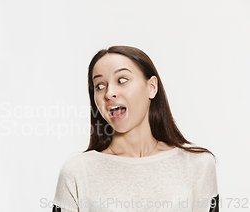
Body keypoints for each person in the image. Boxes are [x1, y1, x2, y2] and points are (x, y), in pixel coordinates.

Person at [52, 46, 218, 212]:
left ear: (152, 87)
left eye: (122, 80)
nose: (109, 93)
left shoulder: (198, 164)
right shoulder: (77, 171)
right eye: (100, 86)